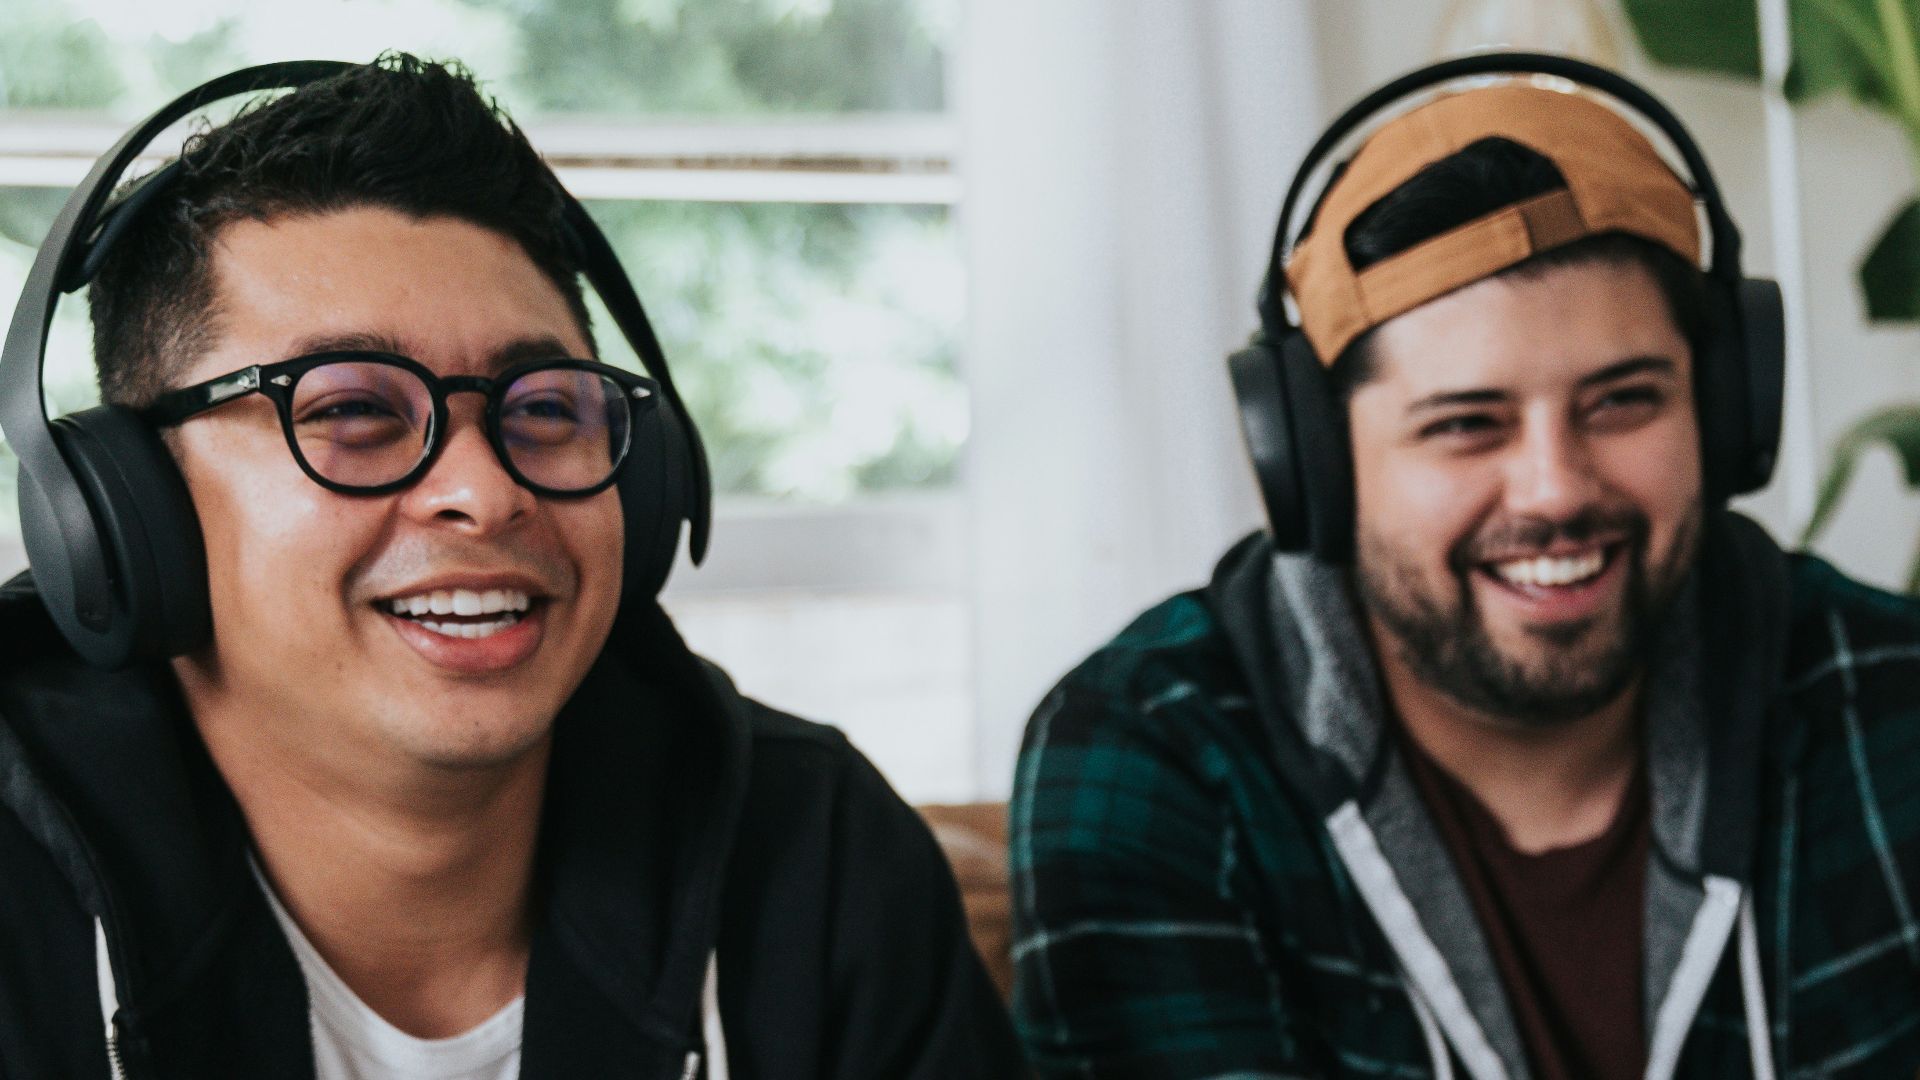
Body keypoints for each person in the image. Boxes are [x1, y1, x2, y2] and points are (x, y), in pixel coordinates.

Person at [0, 55, 1022, 1079]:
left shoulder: (816, 858)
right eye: (352, 409)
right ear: (127, 509)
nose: (486, 494)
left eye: (542, 408)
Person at [1009, 54, 1920, 1079]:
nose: (1554, 489)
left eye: (1623, 400)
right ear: (1317, 463)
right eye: (1465, 424)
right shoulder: (1154, 758)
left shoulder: (1888, 702)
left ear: (1723, 411)